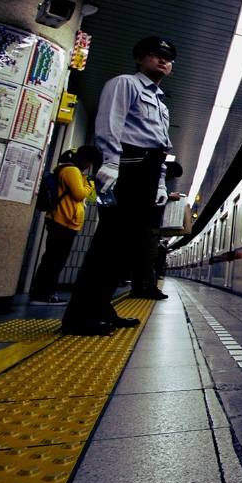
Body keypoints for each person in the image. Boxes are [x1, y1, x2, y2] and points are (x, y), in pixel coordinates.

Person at [60, 37, 176, 336]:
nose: (163, 60)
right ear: (139, 58)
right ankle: (79, 316)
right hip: (129, 166)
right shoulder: (124, 84)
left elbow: (161, 146)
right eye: (155, 55)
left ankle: (101, 308)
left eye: (168, 58)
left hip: (148, 171)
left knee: (127, 248)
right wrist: (111, 162)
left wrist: (161, 180)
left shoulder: (162, 104)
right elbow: (110, 122)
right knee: (109, 244)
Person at [28, 146, 101, 306]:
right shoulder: (70, 171)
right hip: (62, 220)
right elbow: (79, 194)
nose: (89, 166)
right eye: (90, 162)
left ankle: (44, 293)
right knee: (54, 260)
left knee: (55, 259)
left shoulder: (72, 171)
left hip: (66, 221)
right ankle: (41, 294)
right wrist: (90, 185)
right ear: (84, 159)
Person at [132, 159, 183, 298]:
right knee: (149, 256)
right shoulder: (153, 180)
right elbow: (150, 200)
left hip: (145, 224)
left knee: (142, 257)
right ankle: (149, 288)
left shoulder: (147, 177)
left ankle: (137, 288)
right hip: (148, 225)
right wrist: (168, 197)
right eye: (172, 176)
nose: (170, 179)